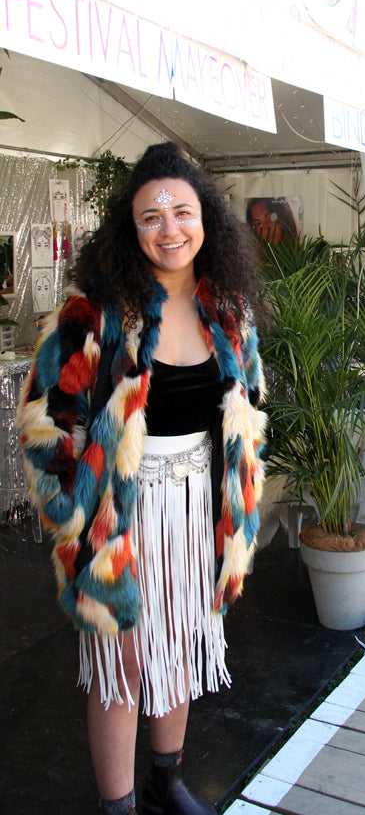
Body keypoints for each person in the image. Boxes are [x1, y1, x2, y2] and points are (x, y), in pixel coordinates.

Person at [17, 142, 266, 815]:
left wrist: (237, 501)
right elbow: (43, 419)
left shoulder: (230, 313)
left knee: (180, 641)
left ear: (206, 219)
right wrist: (74, 510)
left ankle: (168, 779)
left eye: (182, 211)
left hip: (197, 506)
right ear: (130, 227)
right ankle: (119, 804)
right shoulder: (93, 311)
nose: (169, 229)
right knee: (118, 662)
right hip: (115, 514)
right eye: (150, 215)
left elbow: (250, 411)